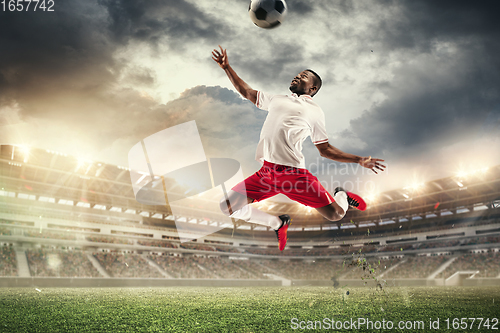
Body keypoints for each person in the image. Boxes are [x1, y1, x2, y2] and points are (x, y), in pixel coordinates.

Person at [212, 45, 385, 251]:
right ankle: (278, 223)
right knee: (227, 207)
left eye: (303, 76)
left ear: (312, 89)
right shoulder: (277, 99)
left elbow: (325, 149)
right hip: (267, 173)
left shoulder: (314, 111)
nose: (296, 77)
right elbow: (247, 92)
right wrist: (227, 68)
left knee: (336, 214)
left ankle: (342, 195)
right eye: (296, 75)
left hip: (294, 176)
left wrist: (357, 160)